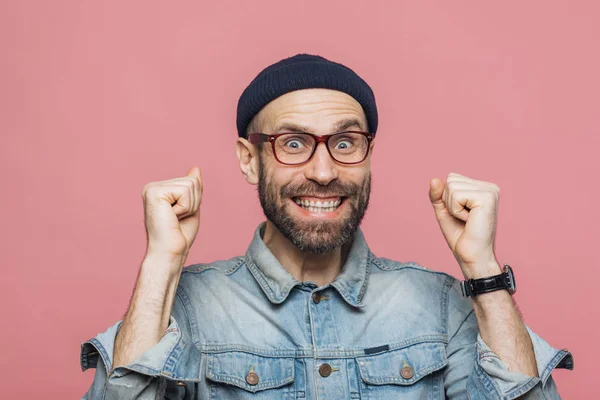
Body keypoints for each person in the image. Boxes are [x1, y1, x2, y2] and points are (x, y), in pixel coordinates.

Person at [81, 54, 573, 399]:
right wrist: (160, 265)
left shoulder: (445, 306)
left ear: (368, 155)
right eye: (292, 144)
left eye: (345, 142)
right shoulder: (181, 307)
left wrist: (481, 268)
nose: (322, 172)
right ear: (249, 160)